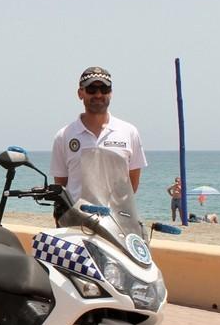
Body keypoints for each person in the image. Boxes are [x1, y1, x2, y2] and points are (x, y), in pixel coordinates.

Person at [50, 67, 147, 215]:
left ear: (111, 93)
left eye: (104, 89)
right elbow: (61, 185)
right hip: (77, 222)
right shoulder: (64, 136)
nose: (98, 94)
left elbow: (132, 184)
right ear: (80, 93)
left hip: (119, 223)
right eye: (91, 89)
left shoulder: (129, 132)